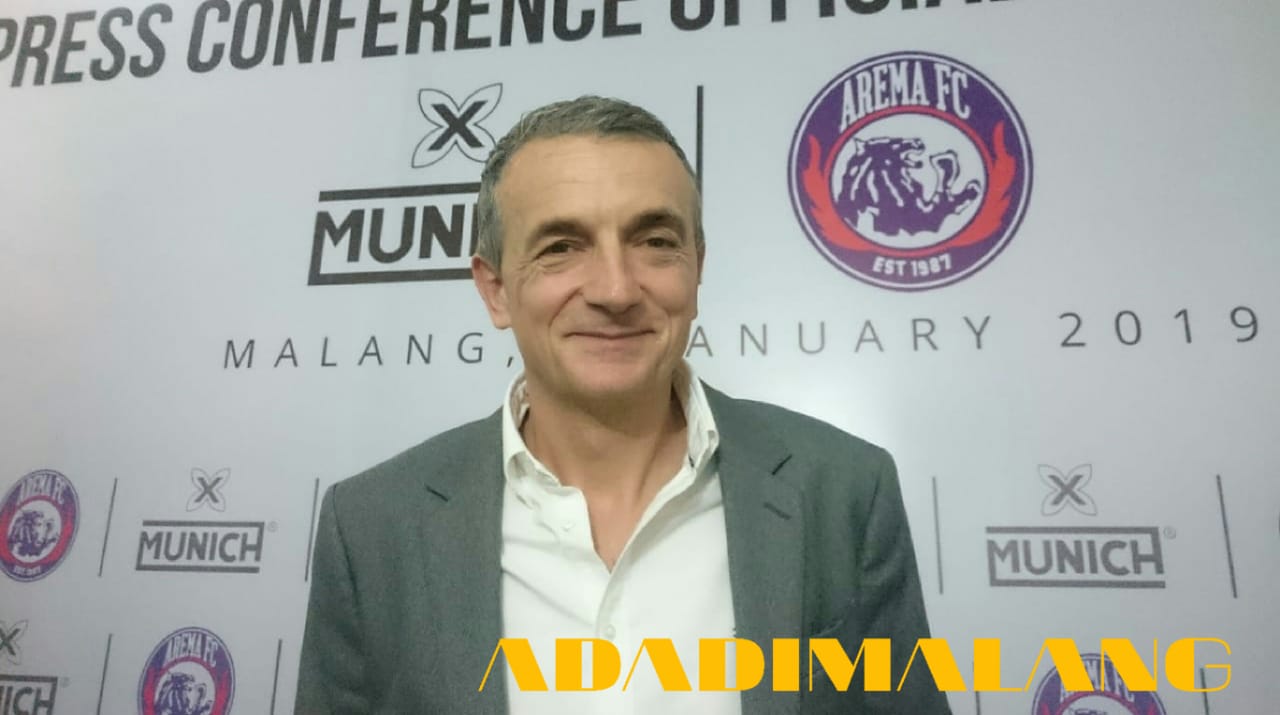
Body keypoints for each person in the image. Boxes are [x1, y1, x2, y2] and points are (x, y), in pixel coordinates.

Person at [296, 96, 951, 714]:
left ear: (697, 267)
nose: (615, 289)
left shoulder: (845, 489)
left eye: (655, 241)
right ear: (494, 290)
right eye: (560, 247)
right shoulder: (372, 526)